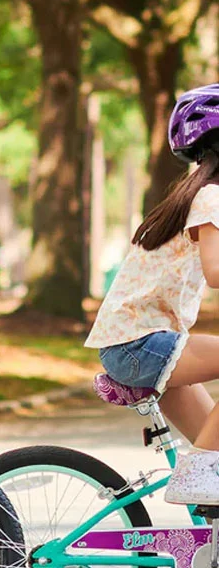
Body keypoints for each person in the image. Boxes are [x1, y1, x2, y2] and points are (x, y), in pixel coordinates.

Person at [85, 83, 219, 507]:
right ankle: (194, 478)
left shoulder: (195, 195)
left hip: (142, 343)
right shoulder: (212, 197)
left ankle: (206, 542)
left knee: (215, 464)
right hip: (138, 345)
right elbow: (216, 271)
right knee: (203, 469)